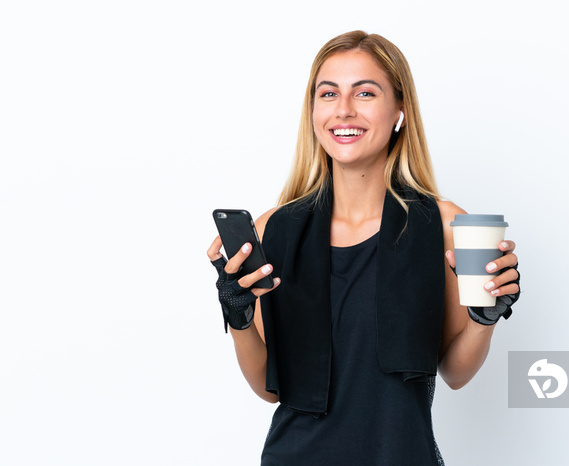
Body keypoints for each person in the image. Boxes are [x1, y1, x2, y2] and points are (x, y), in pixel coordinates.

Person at [206, 30, 520, 465]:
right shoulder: (273, 229)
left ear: (400, 110)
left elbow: (455, 373)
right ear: (313, 111)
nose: (344, 110)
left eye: (365, 92)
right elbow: (266, 387)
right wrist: (237, 314)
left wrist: (486, 317)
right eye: (328, 93)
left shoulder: (447, 225)